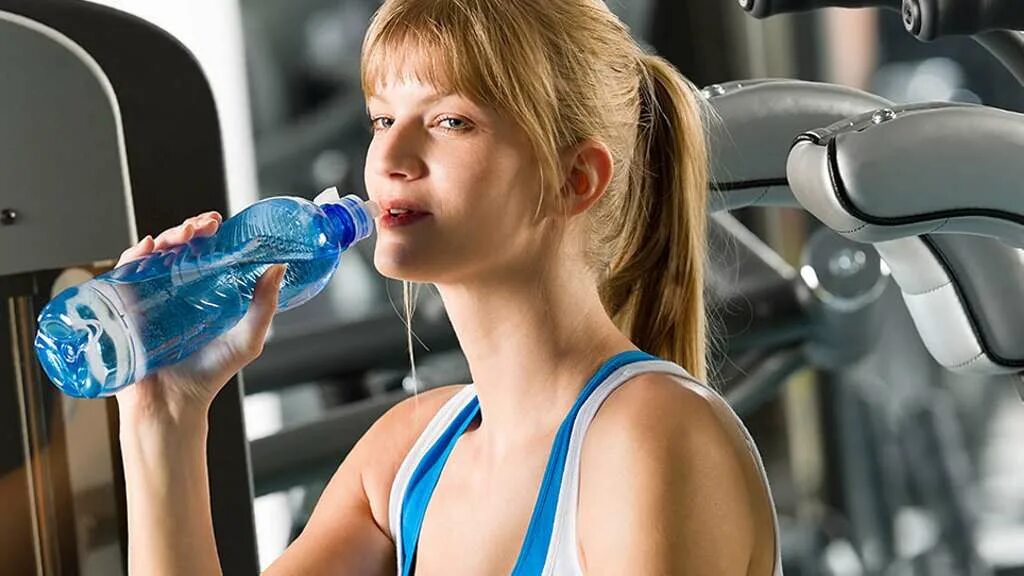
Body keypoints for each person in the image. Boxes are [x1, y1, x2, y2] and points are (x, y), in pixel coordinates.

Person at [114, 0, 782, 573]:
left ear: (573, 179)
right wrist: (166, 417)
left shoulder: (650, 437)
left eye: (449, 121)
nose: (390, 158)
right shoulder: (402, 458)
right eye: (382, 119)